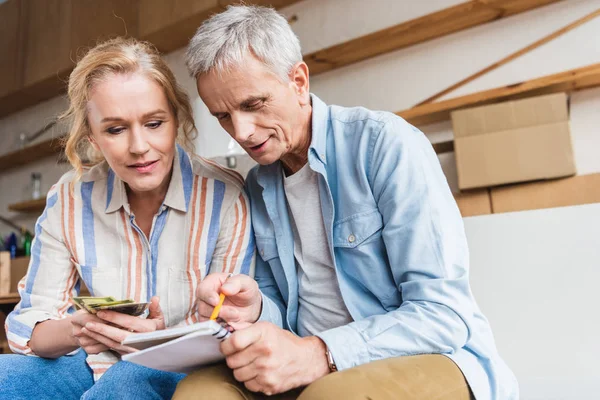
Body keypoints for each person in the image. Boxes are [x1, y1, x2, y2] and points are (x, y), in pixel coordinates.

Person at [173, 5, 519, 400]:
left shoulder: (385, 145)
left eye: (252, 105)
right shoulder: (258, 183)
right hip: (309, 359)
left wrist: (320, 353)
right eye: (223, 116)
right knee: (198, 392)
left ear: (299, 81)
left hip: (430, 355)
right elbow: (285, 316)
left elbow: (444, 315)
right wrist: (252, 310)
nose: (242, 133)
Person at [0, 37, 254, 400]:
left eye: (154, 123)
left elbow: (229, 327)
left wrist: (157, 341)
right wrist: (81, 328)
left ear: (176, 119)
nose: (138, 146)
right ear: (93, 137)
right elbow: (31, 324)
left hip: (187, 370)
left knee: (128, 382)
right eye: (115, 130)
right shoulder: (70, 197)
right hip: (91, 360)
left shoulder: (225, 195)